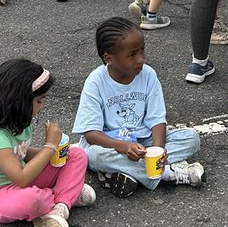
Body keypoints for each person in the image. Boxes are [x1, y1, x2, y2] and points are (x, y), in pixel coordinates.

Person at [73, 17, 205, 198]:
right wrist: (123, 146)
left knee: (191, 138)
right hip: (111, 144)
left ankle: (122, 173)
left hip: (144, 142)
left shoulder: (148, 74)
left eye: (142, 50)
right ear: (109, 58)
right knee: (93, 155)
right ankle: (169, 174)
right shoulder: (96, 82)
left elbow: (157, 119)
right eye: (132, 54)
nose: (141, 59)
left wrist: (158, 151)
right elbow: (90, 133)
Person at [0, 60, 94, 227]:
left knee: (76, 154)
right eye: (39, 100)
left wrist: (57, 150)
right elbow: (22, 178)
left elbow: (22, 154)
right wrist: (49, 146)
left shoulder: (20, 121)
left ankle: (61, 206)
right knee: (33, 199)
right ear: (19, 100)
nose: (41, 106)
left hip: (21, 181)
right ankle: (66, 195)